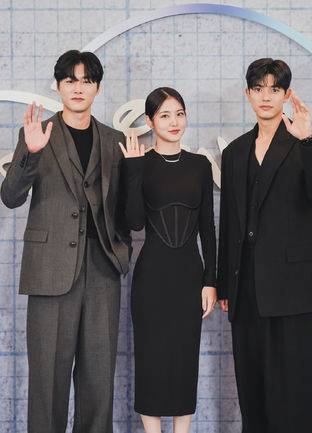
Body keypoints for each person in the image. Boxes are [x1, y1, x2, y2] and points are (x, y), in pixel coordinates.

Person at [0, 50, 131, 433]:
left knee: (98, 382)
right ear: (57, 86)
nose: (78, 88)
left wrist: (122, 249)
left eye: (86, 80)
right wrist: (30, 154)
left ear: (97, 88)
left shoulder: (115, 140)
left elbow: (125, 208)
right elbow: (11, 197)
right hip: (49, 270)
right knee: (47, 381)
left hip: (103, 270)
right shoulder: (38, 134)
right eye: (70, 80)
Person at [216, 58, 312, 432]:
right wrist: (225, 285)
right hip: (245, 288)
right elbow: (229, 221)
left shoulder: (310, 142)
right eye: (258, 89)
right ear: (248, 94)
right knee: (252, 391)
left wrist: (307, 140)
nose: (266, 96)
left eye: (274, 89)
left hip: (292, 288)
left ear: (287, 95)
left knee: (293, 392)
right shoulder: (235, 151)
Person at [119, 87, 217, 433]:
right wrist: (133, 170)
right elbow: (134, 222)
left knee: (184, 360)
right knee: (151, 361)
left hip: (190, 278)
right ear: (150, 122)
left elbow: (208, 228)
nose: (174, 122)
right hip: (152, 279)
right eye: (164, 115)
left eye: (179, 113)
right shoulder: (140, 164)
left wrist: (210, 280)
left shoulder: (200, 165)